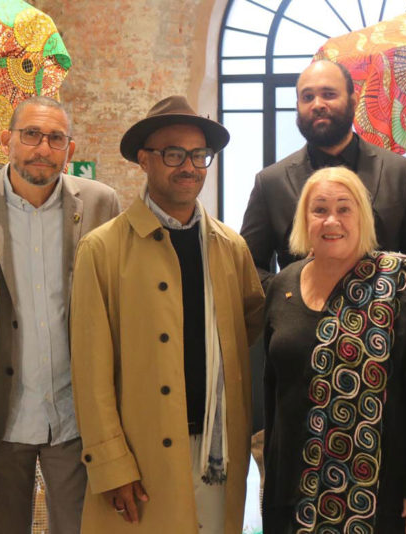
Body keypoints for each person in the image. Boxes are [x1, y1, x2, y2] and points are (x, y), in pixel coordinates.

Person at [69, 95, 265, 533]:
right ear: (144, 160)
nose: (189, 166)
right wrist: (110, 461)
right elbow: (89, 369)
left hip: (218, 451)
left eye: (199, 155)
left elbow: (248, 324)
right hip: (142, 455)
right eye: (173, 153)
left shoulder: (230, 247)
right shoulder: (103, 249)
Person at [0, 95, 121, 534]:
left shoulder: (101, 205)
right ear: (6, 139)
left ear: (70, 147)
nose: (42, 148)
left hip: (74, 415)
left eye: (55, 138)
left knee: (82, 527)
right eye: (31, 134)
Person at [262, 166, 406, 534]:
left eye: (345, 209)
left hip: (378, 494)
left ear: (362, 216)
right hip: (295, 487)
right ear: (304, 219)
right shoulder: (283, 284)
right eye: (320, 209)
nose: (332, 221)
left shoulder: (400, 282)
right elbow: (273, 393)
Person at [240, 59, 406, 286]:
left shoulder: (400, 173)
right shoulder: (271, 183)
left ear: (353, 102)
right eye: (307, 97)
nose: (317, 104)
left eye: (329, 94)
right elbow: (247, 269)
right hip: (300, 319)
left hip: (385, 318)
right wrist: (292, 295)